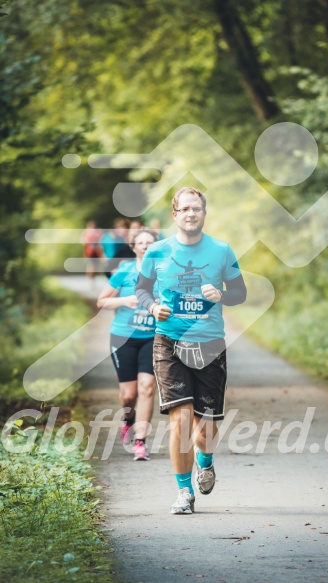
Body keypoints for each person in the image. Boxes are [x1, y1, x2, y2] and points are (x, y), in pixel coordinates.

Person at [135, 187, 246, 513]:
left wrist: (221, 295)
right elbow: (141, 290)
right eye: (184, 209)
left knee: (205, 429)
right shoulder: (158, 251)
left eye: (196, 208)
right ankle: (184, 492)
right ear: (175, 214)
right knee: (180, 421)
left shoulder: (222, 250)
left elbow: (239, 292)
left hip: (210, 344)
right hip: (168, 341)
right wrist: (154, 307)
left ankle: (205, 460)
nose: (191, 214)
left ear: (204, 213)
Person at [97, 228, 158, 461]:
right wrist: (125, 300)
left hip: (153, 338)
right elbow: (101, 301)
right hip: (123, 337)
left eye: (149, 242)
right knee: (128, 395)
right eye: (140, 242)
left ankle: (140, 442)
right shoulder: (124, 271)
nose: (144, 245)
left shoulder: (165, 274)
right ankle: (128, 419)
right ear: (133, 247)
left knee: (147, 387)